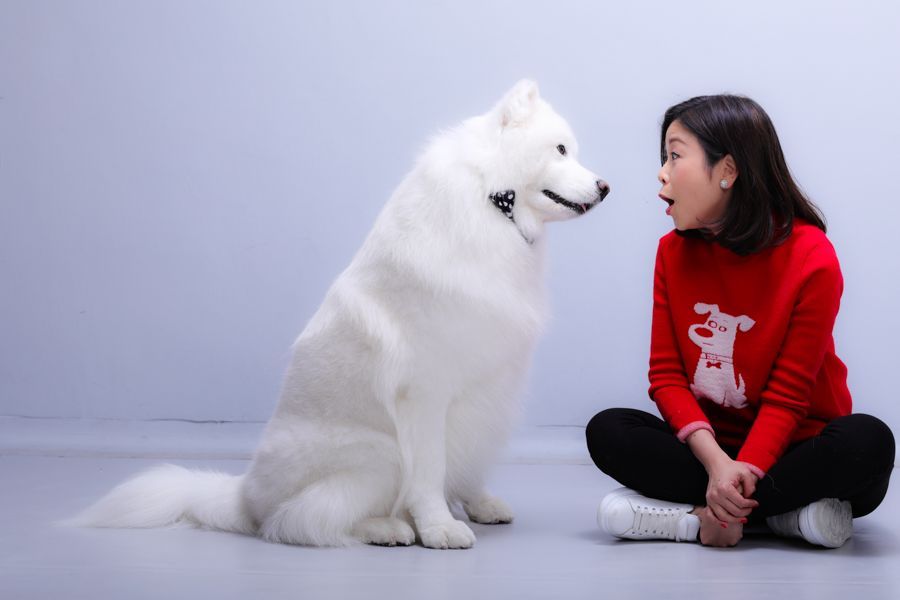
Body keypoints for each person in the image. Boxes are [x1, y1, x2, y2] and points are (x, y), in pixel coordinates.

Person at [585, 95, 895, 548]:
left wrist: (743, 471)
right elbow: (666, 376)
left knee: (868, 444)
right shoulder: (671, 254)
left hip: (795, 447)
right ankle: (783, 516)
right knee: (608, 430)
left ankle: (699, 518)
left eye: (675, 154)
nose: (662, 172)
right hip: (710, 451)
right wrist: (717, 466)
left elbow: (789, 397)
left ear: (727, 170)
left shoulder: (812, 258)